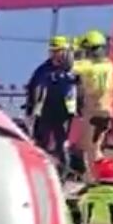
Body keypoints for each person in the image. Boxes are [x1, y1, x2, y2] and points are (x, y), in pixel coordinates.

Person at [25, 36, 80, 170]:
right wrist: (31, 110)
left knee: (62, 145)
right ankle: (40, 169)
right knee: (41, 143)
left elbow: (82, 89)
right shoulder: (44, 69)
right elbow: (34, 88)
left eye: (58, 51)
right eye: (52, 51)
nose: (54, 54)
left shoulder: (75, 68)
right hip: (47, 111)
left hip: (65, 114)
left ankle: (63, 173)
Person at [70, 30, 113, 176]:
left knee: (93, 150)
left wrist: (73, 49)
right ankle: (91, 176)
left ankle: (101, 178)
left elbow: (68, 66)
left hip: (95, 113)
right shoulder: (108, 65)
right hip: (104, 112)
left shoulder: (89, 66)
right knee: (84, 146)